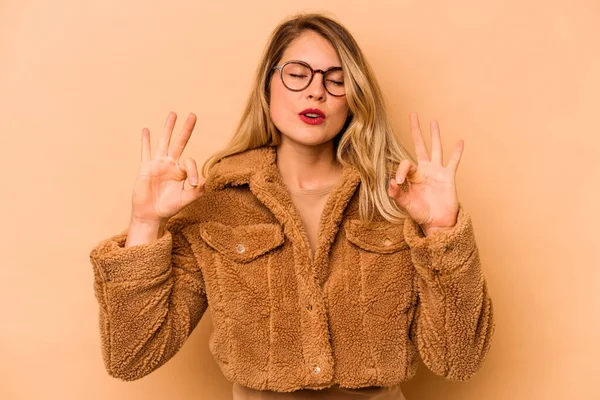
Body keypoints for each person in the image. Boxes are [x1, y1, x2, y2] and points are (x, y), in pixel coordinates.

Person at [89, 12, 495, 400]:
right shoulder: (217, 203)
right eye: (298, 75)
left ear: (354, 99)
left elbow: (458, 360)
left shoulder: (397, 199)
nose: (316, 91)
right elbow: (132, 356)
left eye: (336, 80)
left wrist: (442, 230)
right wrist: (145, 222)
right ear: (267, 87)